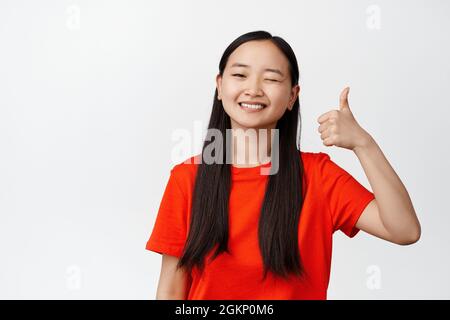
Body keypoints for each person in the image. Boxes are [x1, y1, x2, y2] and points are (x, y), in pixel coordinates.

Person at [145, 30, 421, 300]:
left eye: (271, 79)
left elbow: (404, 230)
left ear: (292, 96)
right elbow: (170, 290)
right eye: (240, 75)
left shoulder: (318, 176)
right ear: (219, 86)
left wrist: (364, 144)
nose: (253, 89)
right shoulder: (187, 178)